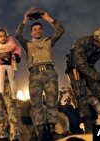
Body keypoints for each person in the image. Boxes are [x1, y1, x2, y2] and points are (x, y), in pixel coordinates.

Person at [15, 7, 65, 140]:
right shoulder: (28, 44)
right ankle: (42, 131)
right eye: (35, 29)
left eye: (39, 29)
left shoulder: (48, 41)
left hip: (49, 72)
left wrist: (47, 18)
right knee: (36, 103)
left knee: (52, 102)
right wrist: (25, 20)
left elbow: (61, 30)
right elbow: (18, 35)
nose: (37, 31)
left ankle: (52, 129)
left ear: (42, 31)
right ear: (31, 32)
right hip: (35, 74)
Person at [71, 27, 100, 132]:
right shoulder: (81, 43)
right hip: (76, 70)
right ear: (95, 40)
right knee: (82, 99)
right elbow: (82, 66)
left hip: (91, 68)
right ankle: (89, 129)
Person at [0, 28, 21, 99]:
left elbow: (17, 50)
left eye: (4, 36)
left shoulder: (11, 44)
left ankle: (14, 94)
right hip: (1, 65)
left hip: (9, 64)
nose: (3, 38)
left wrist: (15, 55)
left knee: (11, 79)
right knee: (1, 78)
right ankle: (1, 92)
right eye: (0, 36)